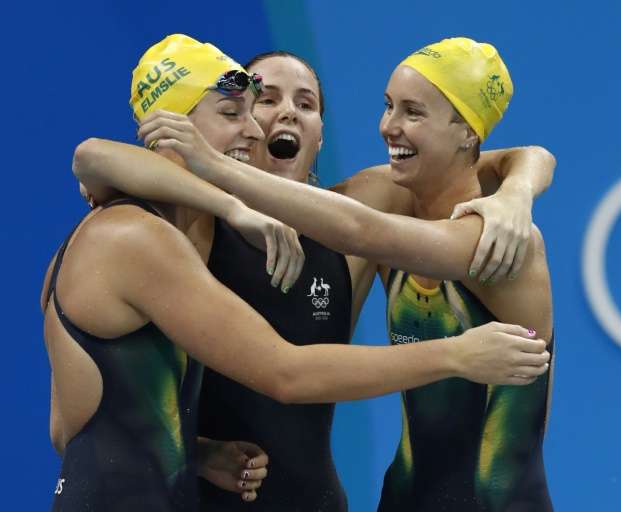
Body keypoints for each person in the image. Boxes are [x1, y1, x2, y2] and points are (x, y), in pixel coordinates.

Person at [45, 34, 551, 512]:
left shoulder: (370, 208)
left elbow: (473, 164)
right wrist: (223, 193)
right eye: (254, 104)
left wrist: (518, 191)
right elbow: (94, 155)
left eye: (306, 104)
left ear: (321, 133)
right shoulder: (178, 232)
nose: (266, 121)